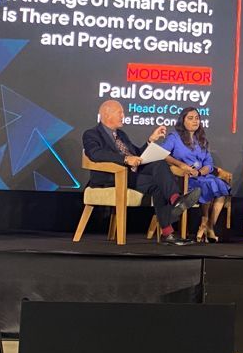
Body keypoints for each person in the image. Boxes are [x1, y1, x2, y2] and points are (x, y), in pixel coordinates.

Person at [82, 100, 201, 246]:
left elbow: (137, 154)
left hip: (130, 174)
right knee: (158, 181)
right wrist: (125, 159)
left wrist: (151, 140)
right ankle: (176, 202)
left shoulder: (121, 135)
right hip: (112, 176)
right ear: (107, 114)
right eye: (120, 113)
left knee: (159, 170)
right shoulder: (91, 134)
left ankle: (169, 226)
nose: (123, 116)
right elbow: (95, 153)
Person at [163, 107, 230, 243]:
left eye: (197, 118)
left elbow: (209, 164)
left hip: (200, 175)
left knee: (219, 186)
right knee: (208, 184)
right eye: (190, 118)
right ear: (183, 120)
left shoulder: (201, 140)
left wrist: (200, 172)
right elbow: (163, 155)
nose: (195, 121)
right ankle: (204, 225)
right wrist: (182, 165)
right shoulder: (174, 137)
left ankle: (209, 226)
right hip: (183, 179)